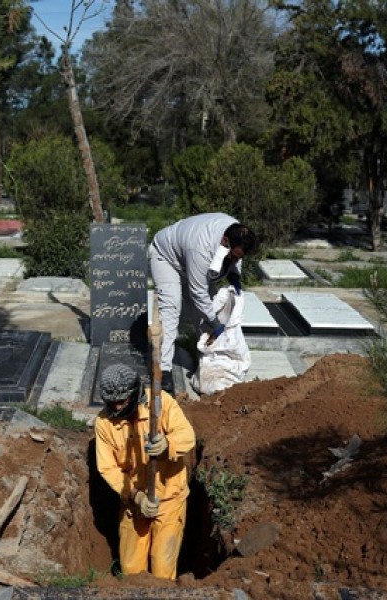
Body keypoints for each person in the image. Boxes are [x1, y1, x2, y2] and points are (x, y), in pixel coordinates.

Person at [94, 363, 196, 580]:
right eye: (113, 402)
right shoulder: (104, 423)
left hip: (169, 499)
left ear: (135, 392)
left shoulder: (160, 404)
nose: (118, 407)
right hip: (134, 503)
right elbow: (108, 468)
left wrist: (168, 444)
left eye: (123, 401)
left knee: (162, 569)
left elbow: (187, 435)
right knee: (132, 570)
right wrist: (136, 496)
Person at [149, 213, 258, 393]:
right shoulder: (200, 247)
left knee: (209, 310)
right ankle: (164, 370)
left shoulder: (238, 233)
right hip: (166, 258)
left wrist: (235, 275)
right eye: (234, 256)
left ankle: (208, 361)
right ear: (225, 241)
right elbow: (198, 292)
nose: (235, 260)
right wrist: (215, 323)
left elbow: (235, 257)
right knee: (171, 310)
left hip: (190, 258)